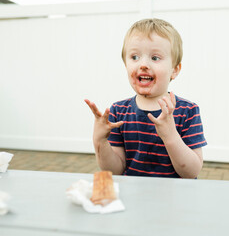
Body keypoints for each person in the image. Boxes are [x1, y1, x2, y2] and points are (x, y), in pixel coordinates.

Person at [85, 18, 207, 178]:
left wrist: (170, 136)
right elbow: (115, 170)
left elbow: (191, 172)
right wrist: (100, 142)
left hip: (174, 200)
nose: (143, 64)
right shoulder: (118, 112)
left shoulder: (187, 111)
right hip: (133, 198)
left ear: (175, 70)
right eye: (135, 57)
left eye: (155, 58)